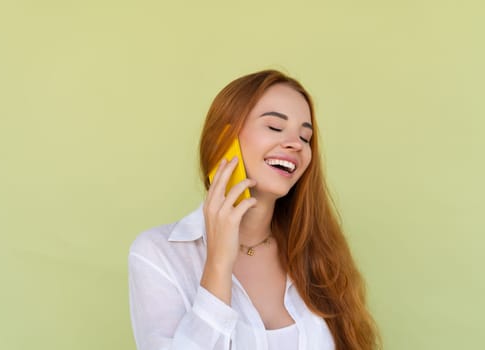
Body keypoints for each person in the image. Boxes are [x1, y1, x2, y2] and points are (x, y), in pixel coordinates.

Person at [128, 70, 380, 350]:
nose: (296, 144)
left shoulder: (318, 252)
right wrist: (219, 264)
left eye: (306, 137)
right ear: (224, 140)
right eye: (274, 127)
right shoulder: (159, 254)